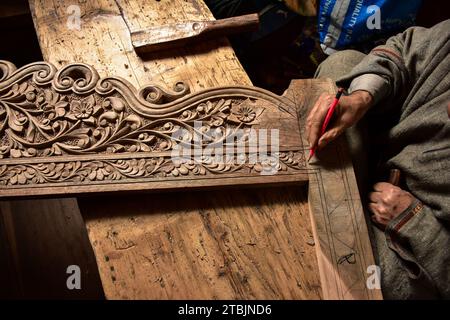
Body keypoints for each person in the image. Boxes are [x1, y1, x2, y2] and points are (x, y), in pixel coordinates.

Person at [307, 19, 450, 299]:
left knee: (369, 278)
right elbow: (405, 50)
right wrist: (362, 97)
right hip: (382, 151)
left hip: (408, 244)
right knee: (343, 64)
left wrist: (414, 222)